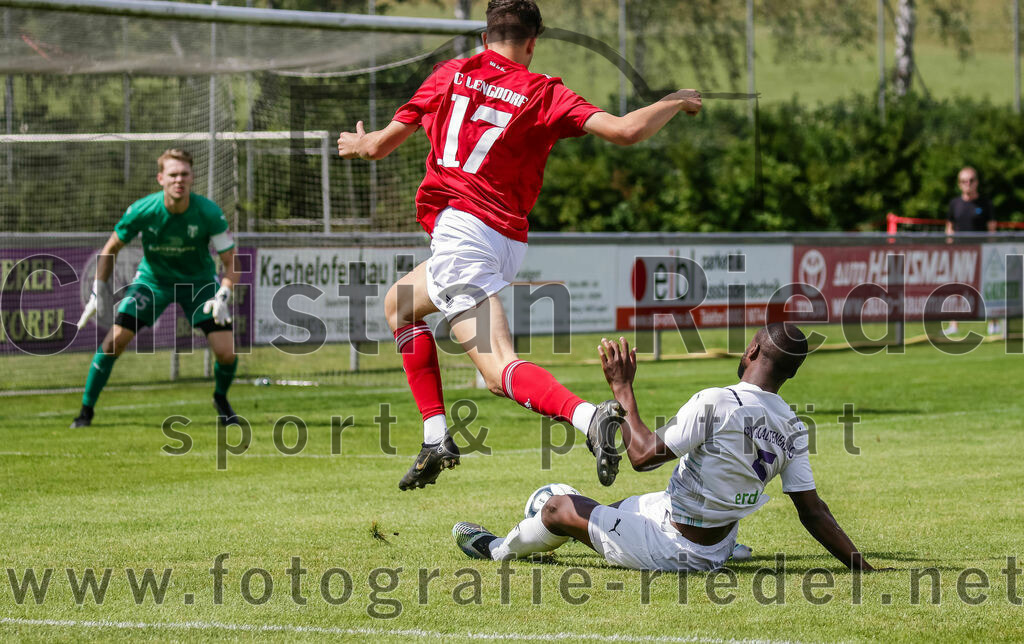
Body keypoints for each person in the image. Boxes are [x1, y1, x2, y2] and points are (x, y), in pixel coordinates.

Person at [337, 0, 702, 491]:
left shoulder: (449, 74)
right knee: (399, 304)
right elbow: (626, 130)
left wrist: (356, 143)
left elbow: (378, 145)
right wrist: (674, 100)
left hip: (463, 235)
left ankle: (589, 417)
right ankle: (435, 437)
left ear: (484, 38)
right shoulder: (543, 91)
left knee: (498, 371)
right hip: (503, 238)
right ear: (532, 43)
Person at [453, 324, 881, 572]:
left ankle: (497, 548)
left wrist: (622, 388)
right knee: (598, 509)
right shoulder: (793, 426)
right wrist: (860, 565)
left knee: (555, 507)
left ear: (752, 350)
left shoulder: (718, 401)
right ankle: (551, 533)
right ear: (792, 372)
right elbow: (813, 511)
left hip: (677, 545)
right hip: (710, 534)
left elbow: (641, 457)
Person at [70, 149, 240, 428]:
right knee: (114, 342)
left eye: (184, 174)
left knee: (227, 353)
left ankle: (220, 399)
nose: (179, 180)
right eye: (173, 175)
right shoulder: (143, 210)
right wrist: (98, 290)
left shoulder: (208, 212)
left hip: (198, 283)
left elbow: (231, 262)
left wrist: (223, 293)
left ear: (192, 177)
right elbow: (111, 248)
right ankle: (85, 412)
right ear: (161, 178)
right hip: (153, 282)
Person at [945, 166, 998, 334]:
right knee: (956, 287)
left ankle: (994, 323)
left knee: (986, 287)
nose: (967, 184)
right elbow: (950, 226)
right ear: (959, 184)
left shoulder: (985, 204)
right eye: (964, 181)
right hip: (961, 254)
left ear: (977, 182)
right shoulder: (955, 204)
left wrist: (990, 250)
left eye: (971, 180)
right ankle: (953, 325)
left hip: (981, 253)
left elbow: (992, 230)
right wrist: (950, 245)